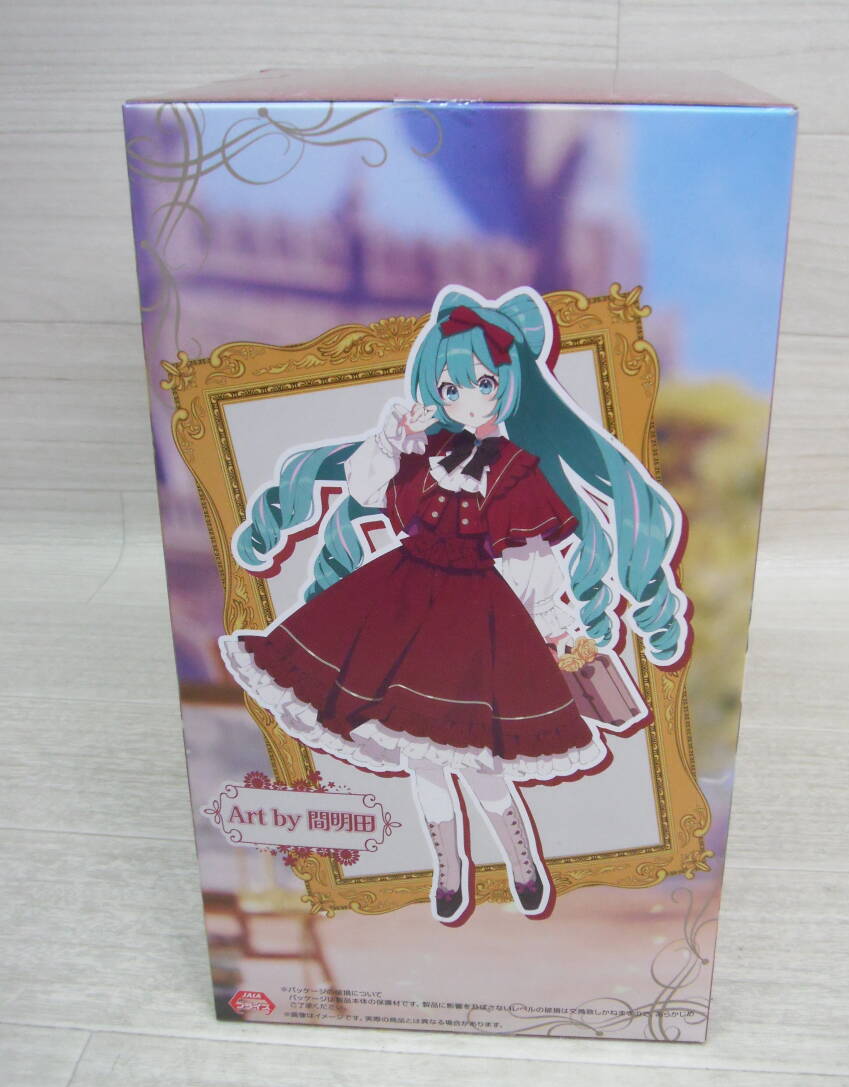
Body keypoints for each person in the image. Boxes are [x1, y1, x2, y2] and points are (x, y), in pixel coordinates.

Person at [220, 285, 688, 924]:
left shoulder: (519, 469)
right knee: (422, 761)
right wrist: (392, 439)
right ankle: (448, 869)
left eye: (481, 384)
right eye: (449, 388)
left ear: (506, 385)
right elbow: (366, 488)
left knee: (481, 763)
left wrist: (558, 630)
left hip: (477, 623)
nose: (465, 399)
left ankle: (522, 862)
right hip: (402, 604)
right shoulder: (424, 452)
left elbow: (534, 566)